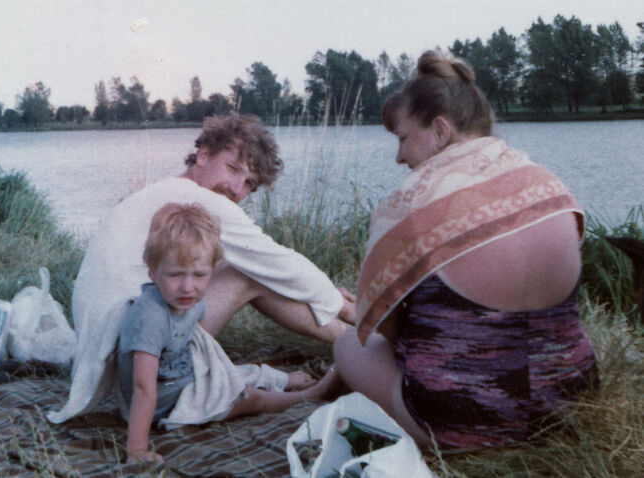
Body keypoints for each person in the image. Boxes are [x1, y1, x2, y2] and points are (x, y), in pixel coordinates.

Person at [333, 50, 599, 450]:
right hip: (572, 408)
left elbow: (384, 328)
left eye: (404, 138)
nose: (399, 156)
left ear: (440, 131)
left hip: (465, 423)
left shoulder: (410, 201)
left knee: (348, 344)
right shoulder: (547, 184)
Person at [48, 114, 355, 424]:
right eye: (233, 168)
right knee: (246, 271)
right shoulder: (201, 200)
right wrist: (340, 304)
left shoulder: (166, 193)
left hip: (110, 358)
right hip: (132, 353)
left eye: (249, 183)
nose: (237, 188)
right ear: (203, 155)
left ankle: (353, 343)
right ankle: (358, 343)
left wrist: (324, 294)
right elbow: (279, 262)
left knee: (240, 265)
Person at [118, 203, 341, 464]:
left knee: (232, 374)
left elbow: (202, 345)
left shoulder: (191, 298)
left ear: (212, 269)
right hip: (162, 406)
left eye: (200, 274)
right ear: (152, 271)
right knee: (247, 398)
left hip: (180, 377)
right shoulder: (150, 317)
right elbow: (143, 388)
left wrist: (216, 374)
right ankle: (307, 396)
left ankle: (275, 379)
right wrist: (137, 449)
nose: (187, 286)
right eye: (175, 274)